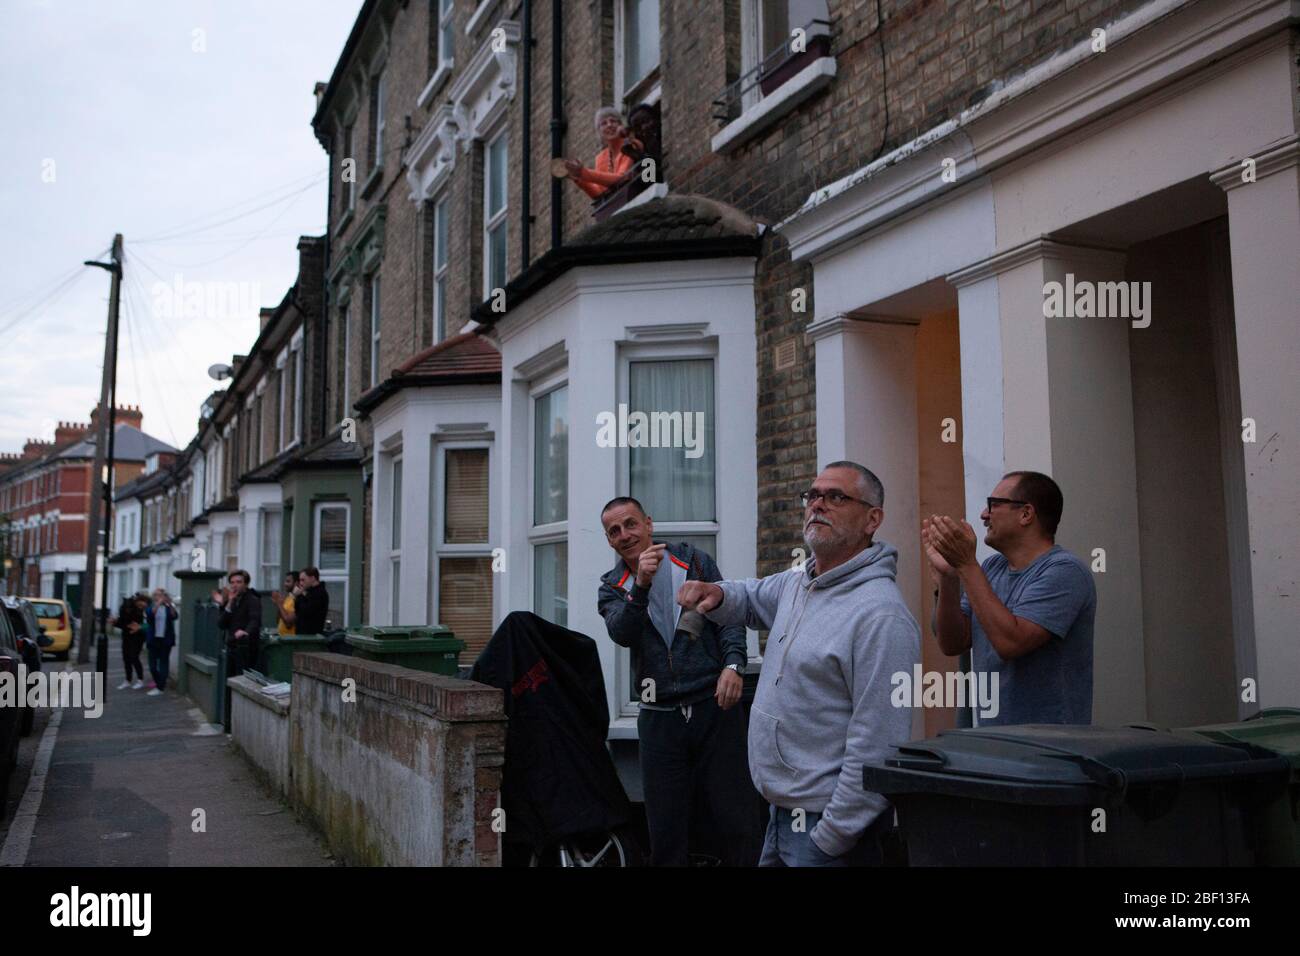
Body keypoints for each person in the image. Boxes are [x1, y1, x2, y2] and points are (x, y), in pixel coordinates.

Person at [678, 462, 920, 867]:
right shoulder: (799, 582)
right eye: (813, 495)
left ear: (872, 519)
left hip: (828, 832)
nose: (818, 505)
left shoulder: (881, 617)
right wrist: (716, 594)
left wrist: (832, 837)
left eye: (836, 497)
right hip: (780, 816)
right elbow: (753, 597)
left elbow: (879, 742)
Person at [597, 496, 757, 866]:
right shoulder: (612, 586)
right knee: (666, 828)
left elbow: (729, 617)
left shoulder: (694, 561)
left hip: (713, 707)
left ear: (649, 524)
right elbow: (623, 633)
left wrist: (733, 666)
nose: (625, 535)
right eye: (614, 531)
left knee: (737, 818)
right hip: (659, 716)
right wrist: (640, 586)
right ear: (609, 541)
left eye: (631, 524)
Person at [923, 470, 1096, 726]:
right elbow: (953, 644)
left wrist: (967, 565)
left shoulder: (1065, 571)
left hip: (1049, 750)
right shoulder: (992, 567)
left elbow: (1010, 643)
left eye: (993, 505)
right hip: (994, 744)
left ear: (1026, 514)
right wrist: (949, 577)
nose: (984, 515)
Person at [563, 107, 636, 199]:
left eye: (613, 121)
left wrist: (583, 173)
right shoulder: (601, 158)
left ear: (621, 125)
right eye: (603, 123)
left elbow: (621, 179)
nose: (609, 125)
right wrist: (578, 179)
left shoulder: (630, 145)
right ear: (599, 132)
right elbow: (599, 193)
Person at [211, 569, 262, 677]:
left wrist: (246, 632)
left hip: (246, 648)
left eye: (239, 582)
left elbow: (255, 620)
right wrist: (229, 602)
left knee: (241, 679)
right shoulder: (232, 601)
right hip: (232, 646)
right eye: (232, 582)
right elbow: (221, 624)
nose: (235, 585)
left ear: (246, 584)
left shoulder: (252, 600)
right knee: (229, 681)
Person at [109, 592, 149, 690]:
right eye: (140, 602)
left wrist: (139, 627)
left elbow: (149, 624)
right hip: (127, 635)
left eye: (143, 602)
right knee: (126, 657)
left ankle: (140, 680)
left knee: (134, 657)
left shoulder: (144, 611)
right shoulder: (128, 609)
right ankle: (128, 680)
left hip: (138, 636)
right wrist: (115, 623)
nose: (141, 605)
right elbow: (124, 624)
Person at [145, 588, 178, 696]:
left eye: (161, 595)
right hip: (153, 640)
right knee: (152, 666)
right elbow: (150, 615)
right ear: (154, 596)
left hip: (165, 640)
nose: (159, 597)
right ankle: (159, 681)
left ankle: (160, 687)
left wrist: (170, 604)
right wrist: (159, 603)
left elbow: (174, 616)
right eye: (157, 595)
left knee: (163, 662)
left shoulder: (168, 608)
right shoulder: (150, 607)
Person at [292, 566, 329, 635]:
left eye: (303, 580)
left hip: (311, 637)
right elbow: (298, 612)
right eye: (300, 580)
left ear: (312, 578)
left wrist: (300, 595)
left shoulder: (320, 593)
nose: (300, 583)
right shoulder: (309, 592)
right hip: (303, 635)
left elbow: (306, 611)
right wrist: (297, 597)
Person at [271, 570, 299, 636]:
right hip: (282, 637)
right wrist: (279, 604)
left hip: (290, 640)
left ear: (296, 583)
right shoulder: (288, 597)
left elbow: (288, 624)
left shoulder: (297, 600)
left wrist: (279, 604)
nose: (285, 584)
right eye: (285, 581)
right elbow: (278, 621)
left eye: (288, 581)